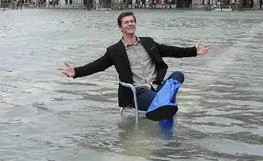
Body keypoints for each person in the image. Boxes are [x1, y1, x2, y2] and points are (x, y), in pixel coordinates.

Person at [58, 11, 210, 119]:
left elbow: (171, 50)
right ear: (121, 27)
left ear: (135, 24)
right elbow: (97, 65)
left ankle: (162, 103)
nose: (130, 24)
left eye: (132, 21)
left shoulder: (148, 42)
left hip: (156, 86)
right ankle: (163, 104)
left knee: (178, 75)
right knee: (156, 98)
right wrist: (76, 72)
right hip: (137, 92)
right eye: (126, 22)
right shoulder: (115, 50)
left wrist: (194, 51)